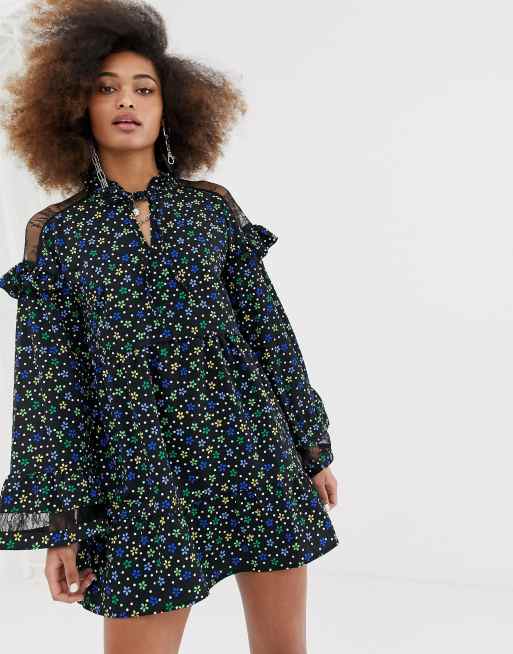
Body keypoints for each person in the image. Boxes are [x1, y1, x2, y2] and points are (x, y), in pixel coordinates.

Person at [0, 1, 340, 652]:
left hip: (251, 452)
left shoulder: (211, 211)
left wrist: (312, 447)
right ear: (76, 106)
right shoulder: (59, 235)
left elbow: (270, 334)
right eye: (106, 88)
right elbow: (47, 391)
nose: (126, 101)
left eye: (144, 88)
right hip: (141, 471)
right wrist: (56, 526)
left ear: (169, 108)